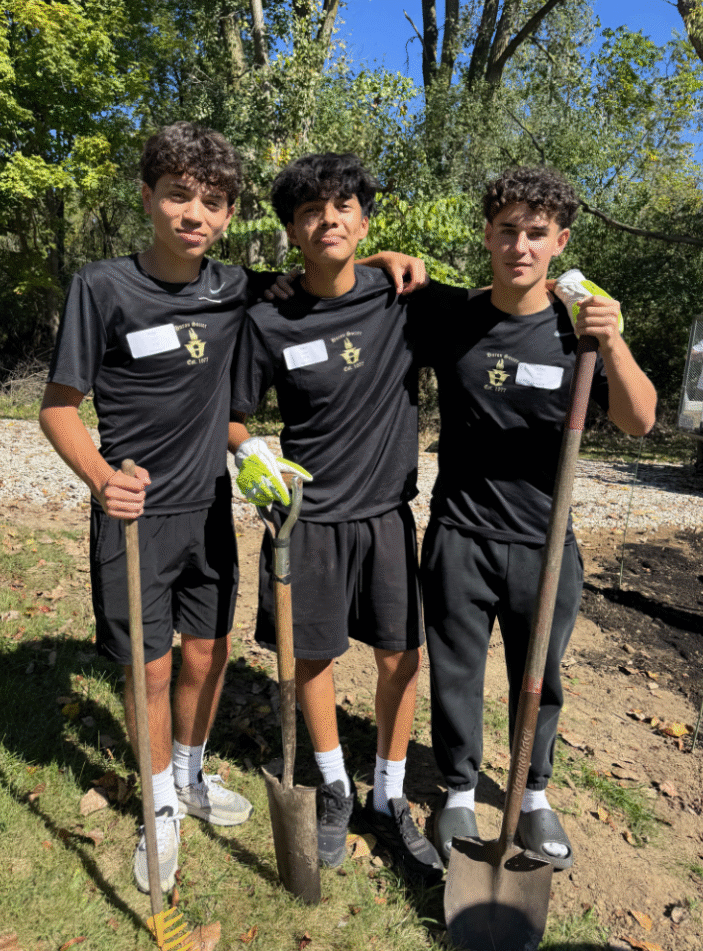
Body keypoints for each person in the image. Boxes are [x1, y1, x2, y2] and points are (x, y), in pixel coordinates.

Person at [39, 124, 423, 893]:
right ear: (148, 197)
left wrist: (380, 258)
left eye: (212, 202)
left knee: (206, 656)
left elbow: (323, 271)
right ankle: (158, 806)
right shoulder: (101, 286)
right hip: (134, 515)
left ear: (228, 213)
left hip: (209, 508)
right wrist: (98, 475)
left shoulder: (238, 288)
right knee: (147, 670)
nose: (194, 213)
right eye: (178, 195)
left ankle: (188, 772)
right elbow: (58, 407)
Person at [421, 166, 657, 869]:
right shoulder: (453, 316)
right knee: (455, 668)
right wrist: (388, 257)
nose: (518, 245)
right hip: (459, 532)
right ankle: (458, 785)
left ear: (559, 241)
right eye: (505, 231)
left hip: (543, 540)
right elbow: (367, 288)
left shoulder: (579, 328)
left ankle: (529, 793)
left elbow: (640, 421)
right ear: (487, 236)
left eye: (534, 233)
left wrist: (611, 341)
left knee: (539, 673)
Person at [229, 153, 444, 885]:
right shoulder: (267, 317)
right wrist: (254, 454)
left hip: (385, 515)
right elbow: (234, 415)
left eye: (344, 206)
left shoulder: (404, 295)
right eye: (311, 211)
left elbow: (503, 304)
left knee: (400, 659)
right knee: (309, 656)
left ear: (363, 218)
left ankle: (387, 796)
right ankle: (331, 785)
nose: (329, 219)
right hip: (306, 518)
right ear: (291, 229)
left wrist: (394, 259)